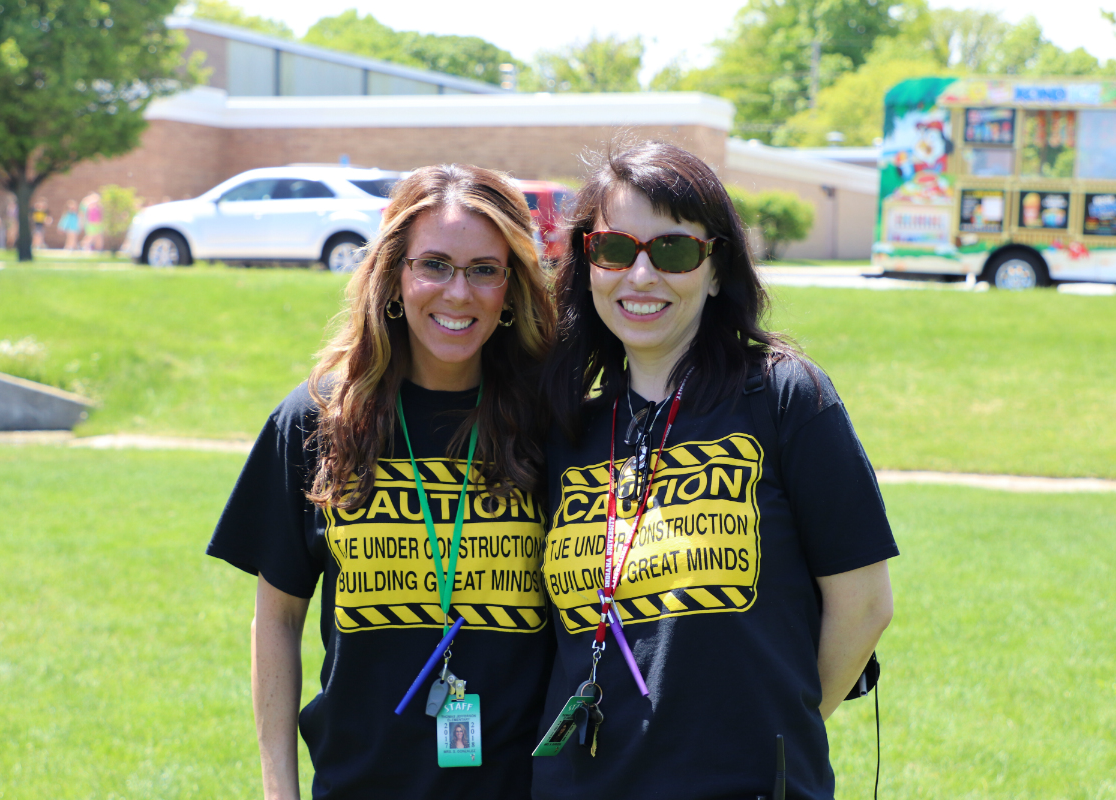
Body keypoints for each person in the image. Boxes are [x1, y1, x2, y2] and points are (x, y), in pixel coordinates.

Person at [536, 141, 898, 800]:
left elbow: (865, 604)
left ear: (714, 268)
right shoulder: (568, 430)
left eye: (672, 250)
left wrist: (783, 725)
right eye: (615, 250)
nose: (639, 276)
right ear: (588, 265)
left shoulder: (787, 397)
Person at [207, 164, 557, 799]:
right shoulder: (317, 419)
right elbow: (278, 619)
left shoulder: (553, 424)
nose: (459, 293)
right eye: (435, 265)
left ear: (511, 288)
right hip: (357, 784)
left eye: (485, 269)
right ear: (395, 276)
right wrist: (278, 790)